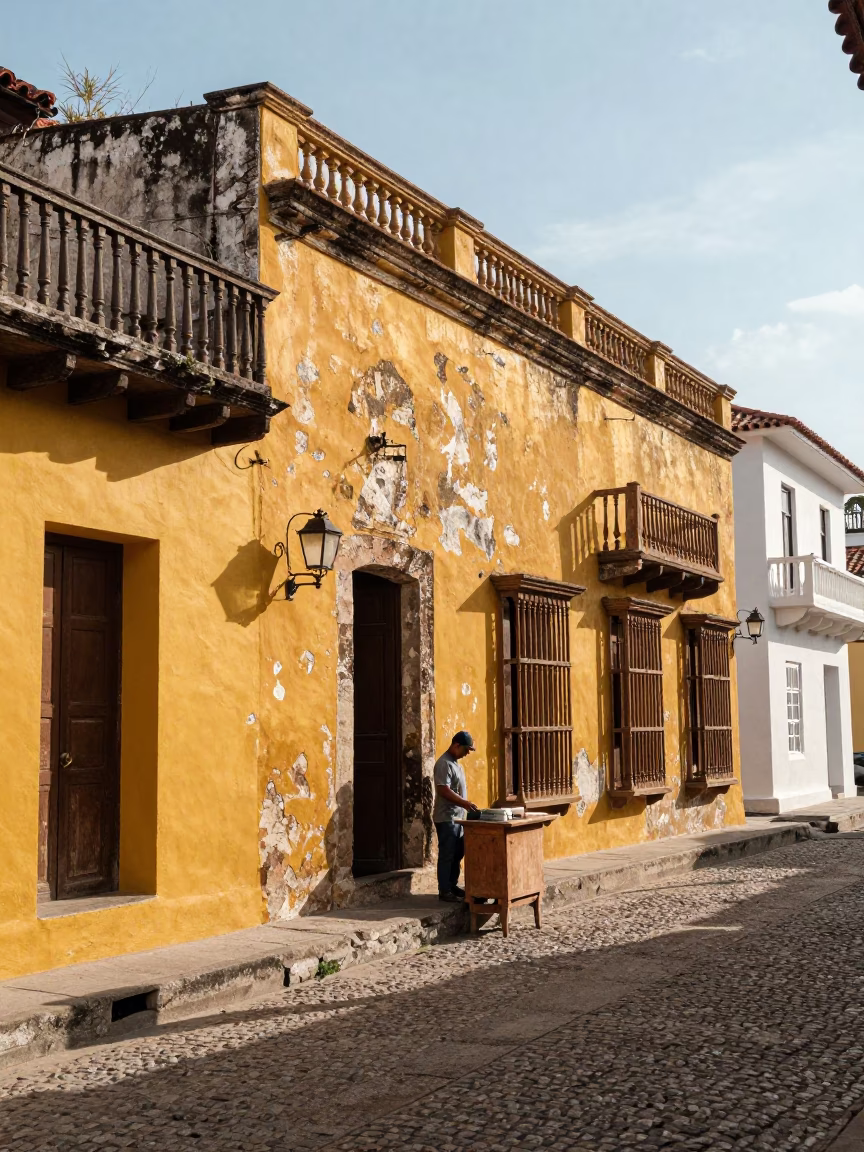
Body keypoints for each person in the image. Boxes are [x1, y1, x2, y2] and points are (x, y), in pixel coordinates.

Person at [433, 731, 479, 901]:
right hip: (447, 818)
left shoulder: (456, 764)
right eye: (466, 749)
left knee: (457, 853)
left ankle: (452, 885)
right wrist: (464, 803)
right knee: (447, 854)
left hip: (458, 817)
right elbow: (443, 789)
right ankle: (444, 890)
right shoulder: (444, 763)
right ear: (456, 745)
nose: (467, 753)